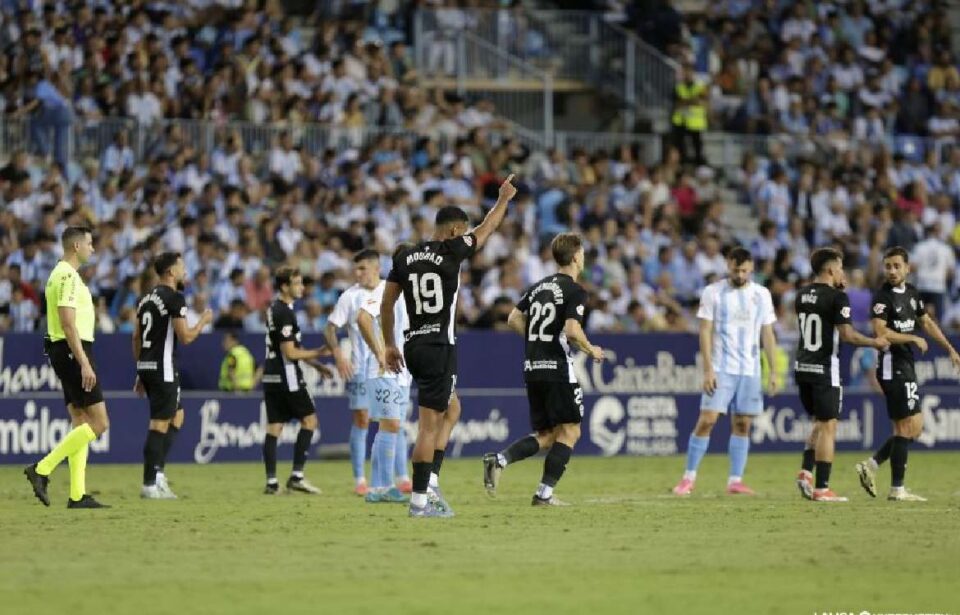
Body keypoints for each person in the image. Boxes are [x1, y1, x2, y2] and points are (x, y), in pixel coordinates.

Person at [381, 174, 518, 518]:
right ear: (456, 231)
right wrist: (503, 199)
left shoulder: (404, 256)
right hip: (439, 345)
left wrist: (388, 345)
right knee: (428, 426)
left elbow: (386, 305)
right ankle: (419, 503)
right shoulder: (453, 250)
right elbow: (487, 229)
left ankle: (432, 482)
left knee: (452, 409)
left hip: (413, 344)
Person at [483, 232, 604, 506]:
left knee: (548, 435)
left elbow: (513, 318)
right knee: (571, 432)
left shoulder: (539, 286)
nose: (583, 257)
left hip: (533, 366)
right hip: (557, 368)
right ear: (575, 256)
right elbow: (573, 331)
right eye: (582, 253)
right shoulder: (575, 290)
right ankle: (544, 494)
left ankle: (499, 460)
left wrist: (537, 340)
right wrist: (592, 350)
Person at [855, 247, 960, 501]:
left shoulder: (912, 294)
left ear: (907, 268)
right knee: (905, 426)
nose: (891, 271)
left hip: (906, 365)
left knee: (916, 428)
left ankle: (871, 465)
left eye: (896, 266)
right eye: (887, 266)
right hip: (893, 367)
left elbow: (926, 322)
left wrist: (949, 348)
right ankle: (897, 489)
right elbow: (881, 332)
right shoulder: (882, 298)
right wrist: (912, 337)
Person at [672, 247, 779, 496]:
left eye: (744, 270)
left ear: (751, 268)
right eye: (735, 269)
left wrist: (773, 371)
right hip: (722, 369)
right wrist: (708, 370)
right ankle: (688, 478)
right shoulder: (713, 293)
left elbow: (768, 334)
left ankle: (735, 480)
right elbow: (705, 331)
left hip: (750, 369)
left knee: (742, 424)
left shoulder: (761, 294)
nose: (740, 274)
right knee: (707, 420)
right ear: (727, 266)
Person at [793, 248, 888, 503]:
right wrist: (874, 342)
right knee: (829, 426)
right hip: (825, 368)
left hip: (802, 367)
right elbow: (847, 335)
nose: (843, 272)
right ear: (831, 270)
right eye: (841, 268)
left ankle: (805, 472)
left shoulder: (801, 295)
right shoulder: (837, 298)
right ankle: (823, 488)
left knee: (819, 422)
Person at [24, 227, 109, 509]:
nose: (92, 249)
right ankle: (42, 468)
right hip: (74, 349)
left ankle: (77, 494)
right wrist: (84, 361)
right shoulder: (67, 276)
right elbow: (68, 323)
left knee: (80, 422)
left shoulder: (58, 275)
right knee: (99, 423)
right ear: (75, 246)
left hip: (63, 350)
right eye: (89, 243)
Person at [133, 252, 213, 499]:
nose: (185, 271)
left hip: (148, 365)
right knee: (159, 423)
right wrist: (202, 322)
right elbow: (186, 337)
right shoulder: (175, 298)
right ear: (170, 272)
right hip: (163, 367)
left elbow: (136, 338)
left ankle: (157, 474)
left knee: (177, 416)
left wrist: (140, 370)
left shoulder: (146, 299)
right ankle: (149, 483)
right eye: (182, 267)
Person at [261, 268, 333, 495]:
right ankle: (297, 476)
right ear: (284, 286)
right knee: (309, 421)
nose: (302, 288)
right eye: (297, 283)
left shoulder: (276, 309)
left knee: (274, 427)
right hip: (287, 376)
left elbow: (290, 349)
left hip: (271, 374)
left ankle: (272, 483)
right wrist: (318, 353)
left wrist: (315, 365)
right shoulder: (285, 313)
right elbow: (291, 353)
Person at [356, 244, 416, 503]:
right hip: (382, 369)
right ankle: (382, 486)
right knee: (390, 425)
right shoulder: (384, 290)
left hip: (401, 372)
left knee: (389, 427)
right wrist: (380, 352)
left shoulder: (410, 293)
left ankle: (379, 488)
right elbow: (362, 318)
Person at [324, 250, 383, 496]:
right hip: (360, 368)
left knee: (392, 421)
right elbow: (329, 329)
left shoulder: (390, 290)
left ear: (375, 268)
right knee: (362, 419)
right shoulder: (349, 297)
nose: (357, 274)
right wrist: (338, 354)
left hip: (388, 369)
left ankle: (395, 477)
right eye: (355, 269)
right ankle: (360, 478)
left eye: (361, 269)